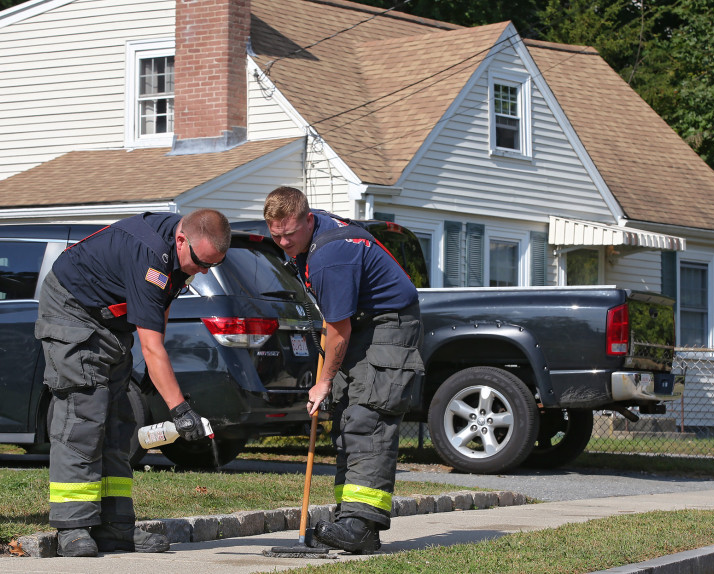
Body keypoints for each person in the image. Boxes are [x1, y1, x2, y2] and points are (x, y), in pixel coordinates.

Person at [35, 209, 230, 557]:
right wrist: (180, 410)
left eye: (210, 266)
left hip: (111, 323)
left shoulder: (179, 255)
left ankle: (115, 527)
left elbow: (158, 316)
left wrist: (162, 381)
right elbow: (152, 348)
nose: (202, 271)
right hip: (72, 311)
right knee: (84, 415)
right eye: (201, 262)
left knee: (120, 417)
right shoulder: (151, 259)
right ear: (182, 240)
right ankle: (73, 527)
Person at [263, 186, 424, 553]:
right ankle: (349, 517)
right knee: (347, 418)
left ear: (308, 219)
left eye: (290, 234)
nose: (284, 242)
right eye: (276, 236)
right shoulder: (310, 236)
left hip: (388, 326)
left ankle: (361, 525)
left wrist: (322, 383)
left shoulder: (330, 255)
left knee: (368, 415)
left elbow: (339, 329)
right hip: (363, 324)